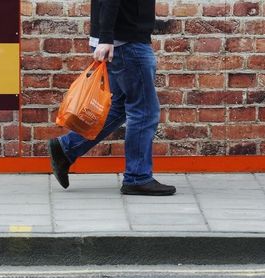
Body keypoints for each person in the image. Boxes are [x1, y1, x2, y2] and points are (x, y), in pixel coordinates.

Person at [48, 0, 176, 196]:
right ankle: (137, 177)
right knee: (144, 111)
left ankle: (67, 148)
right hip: (125, 43)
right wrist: (106, 37)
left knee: (120, 107)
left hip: (120, 40)